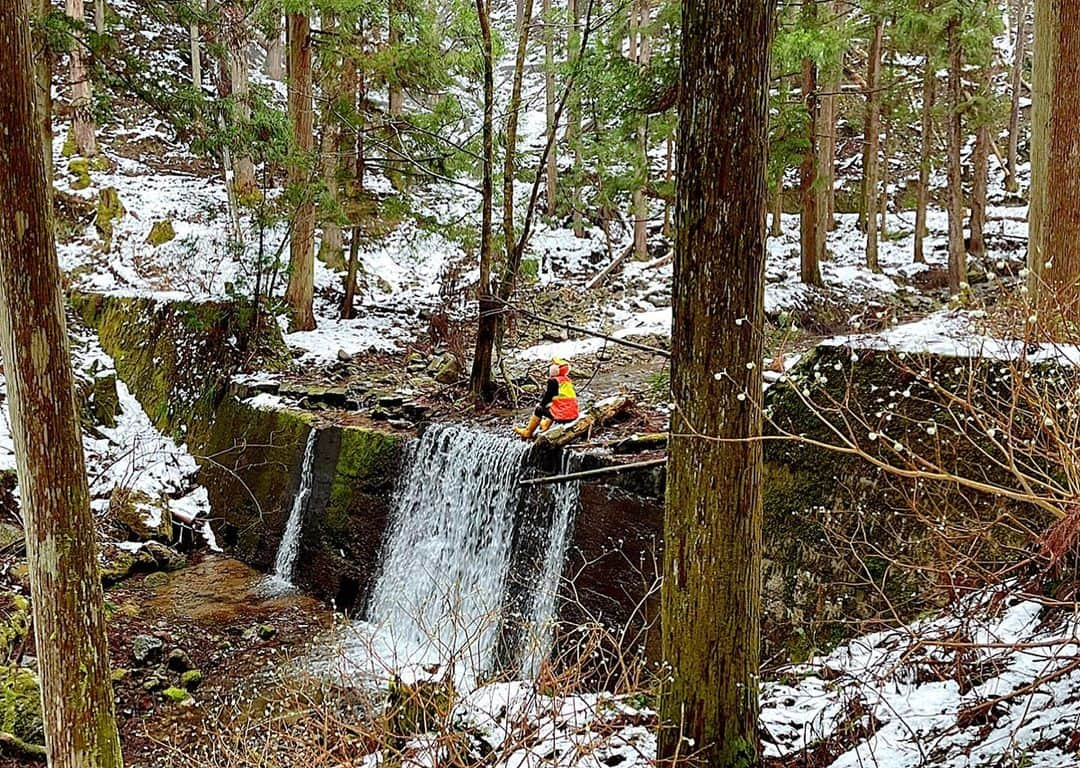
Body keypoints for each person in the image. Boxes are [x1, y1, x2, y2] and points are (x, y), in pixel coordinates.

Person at [514, 357, 580, 439]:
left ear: (556, 370)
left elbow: (547, 398)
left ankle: (528, 432)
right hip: (573, 415)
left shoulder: (553, 381)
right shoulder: (567, 381)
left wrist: (541, 404)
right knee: (552, 406)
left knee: (539, 409)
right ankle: (545, 424)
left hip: (563, 416)